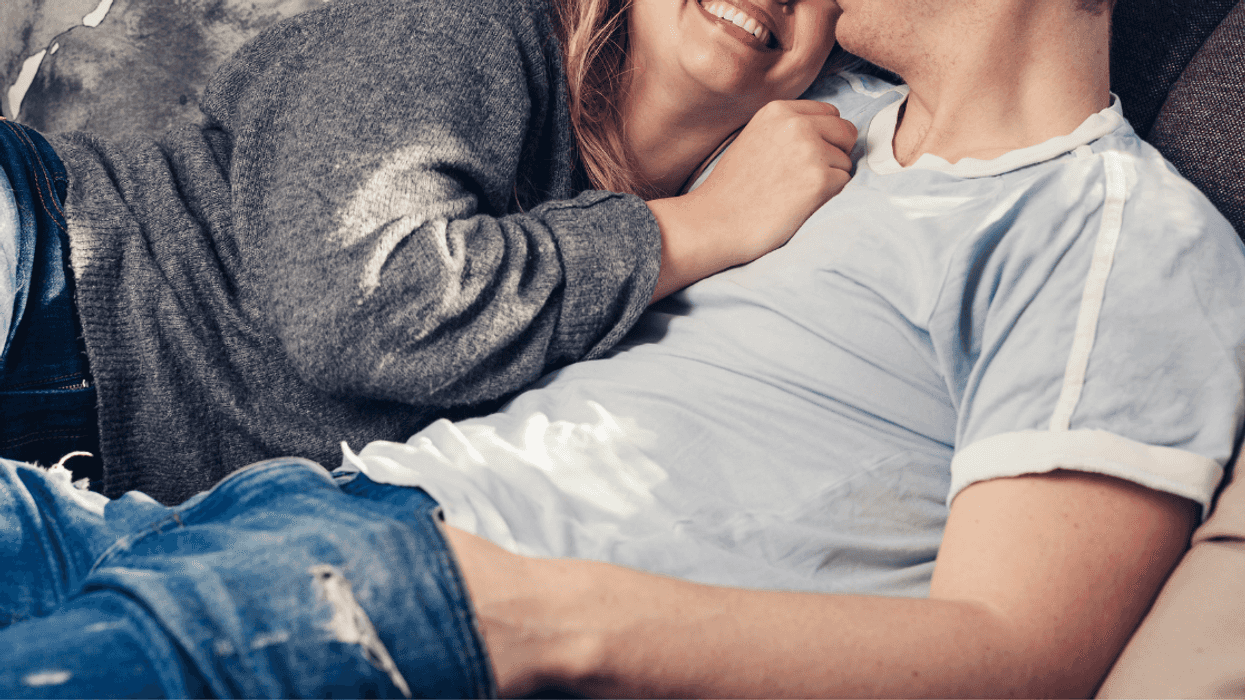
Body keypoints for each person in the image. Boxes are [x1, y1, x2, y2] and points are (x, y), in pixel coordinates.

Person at [3, 0, 1245, 697]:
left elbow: (1023, 655)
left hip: (406, 580)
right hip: (191, 476)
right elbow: (370, 288)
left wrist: (544, 617)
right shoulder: (809, 130)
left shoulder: (1119, 237)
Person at [0, 0, 854, 504]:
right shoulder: (468, 24)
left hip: (78, 460)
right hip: (49, 276)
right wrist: (701, 224)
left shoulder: (716, 269)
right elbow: (360, 307)